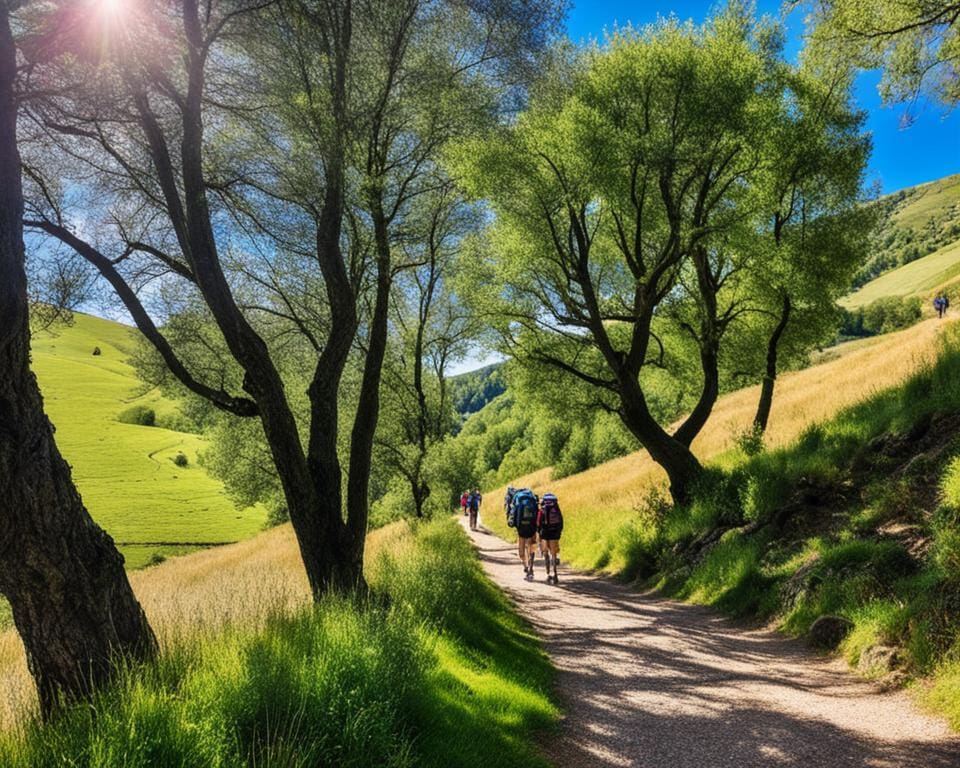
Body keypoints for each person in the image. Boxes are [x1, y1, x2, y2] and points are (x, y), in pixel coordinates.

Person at [511, 488, 539, 579]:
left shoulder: (518, 500)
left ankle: (526, 567)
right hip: (532, 527)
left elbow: (513, 516)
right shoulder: (532, 500)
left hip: (522, 528)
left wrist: (515, 525)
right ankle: (531, 568)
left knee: (522, 550)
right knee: (531, 547)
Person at [537, 492, 564, 583]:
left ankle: (548, 574)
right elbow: (561, 522)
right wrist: (558, 533)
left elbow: (538, 523)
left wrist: (539, 534)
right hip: (554, 533)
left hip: (544, 534)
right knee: (554, 554)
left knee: (546, 554)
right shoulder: (556, 508)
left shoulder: (542, 510)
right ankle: (555, 574)